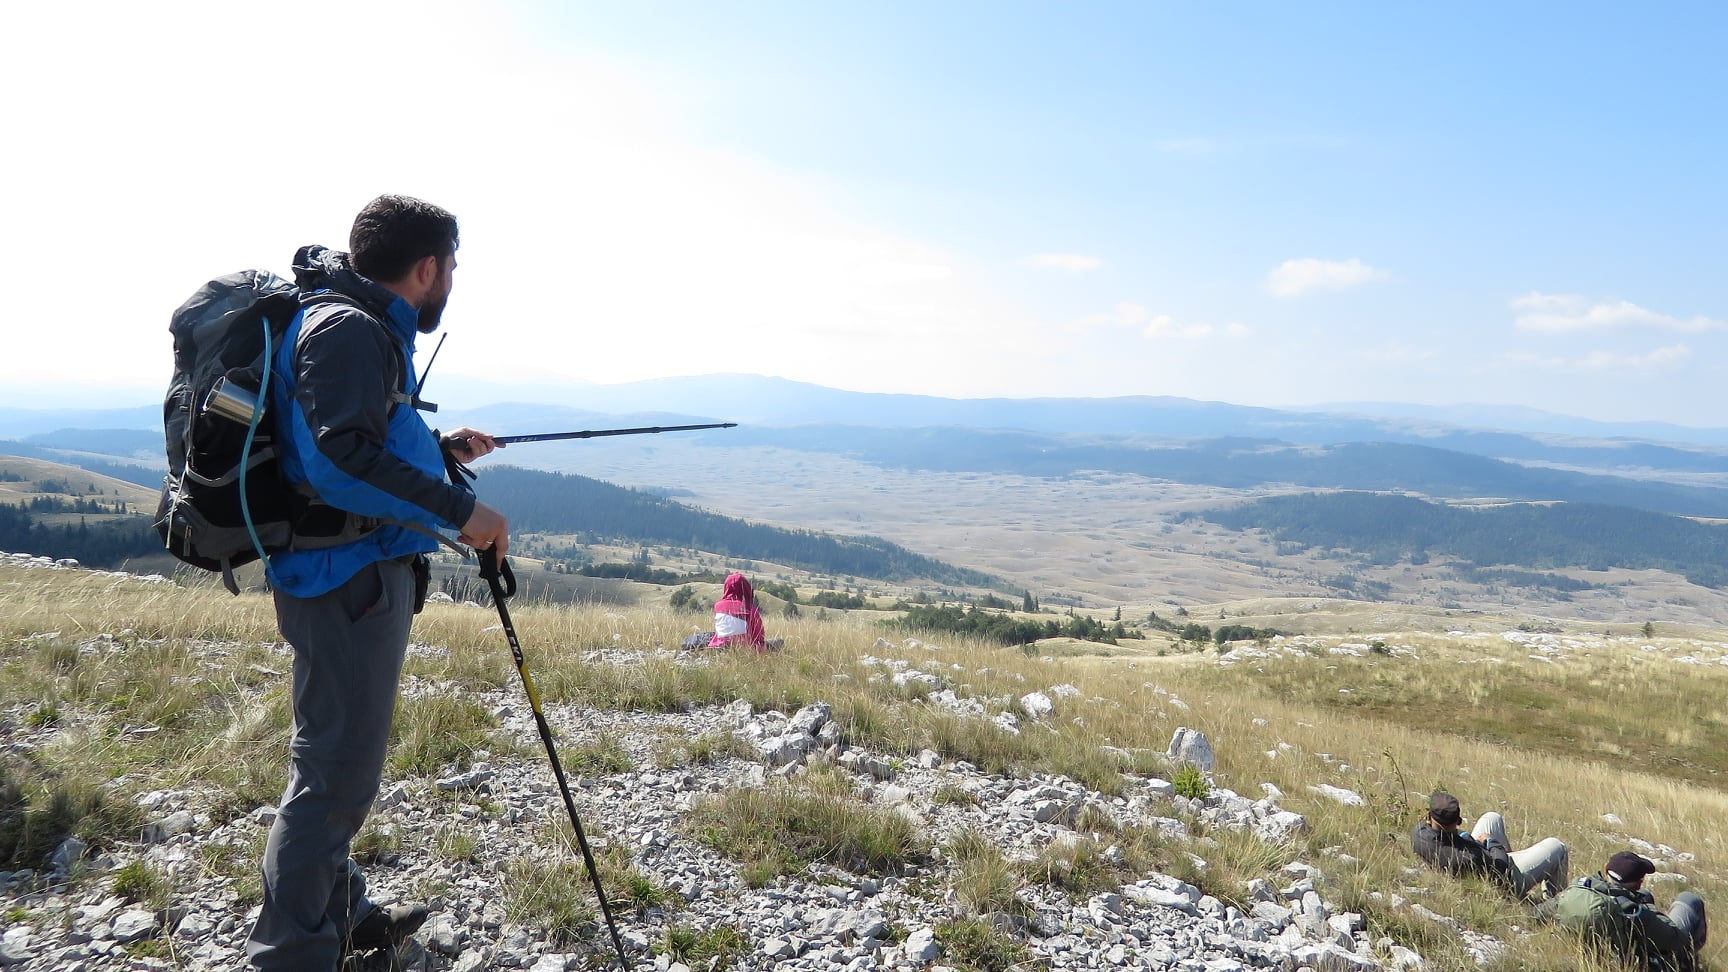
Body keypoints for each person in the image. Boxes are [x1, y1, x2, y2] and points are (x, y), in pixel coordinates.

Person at [245, 195, 510, 971]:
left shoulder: (352, 320)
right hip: (346, 579)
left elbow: (354, 438)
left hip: (344, 571)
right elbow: (336, 462)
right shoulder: (351, 330)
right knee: (334, 776)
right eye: (451, 266)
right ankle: (291, 956)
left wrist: (438, 451)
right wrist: (461, 510)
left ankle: (342, 915)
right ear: (426, 268)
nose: (451, 280)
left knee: (334, 764)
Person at [1537, 850, 1706, 972]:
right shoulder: (1634, 912)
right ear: (1638, 883)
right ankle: (1688, 965)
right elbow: (1677, 939)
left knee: (1646, 895)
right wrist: (1652, 911)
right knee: (1689, 899)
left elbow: (1538, 913)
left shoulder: (1577, 889)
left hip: (1591, 948)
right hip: (1632, 961)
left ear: (1606, 869)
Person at [1411, 790, 1569, 899]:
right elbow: (1501, 865)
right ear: (1459, 821)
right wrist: (1491, 842)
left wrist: (1467, 838)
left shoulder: (1418, 833)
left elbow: (1451, 838)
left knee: (1492, 817)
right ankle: (1552, 901)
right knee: (1557, 846)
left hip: (1476, 856)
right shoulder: (1469, 858)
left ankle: (1522, 863)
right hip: (1504, 878)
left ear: (1429, 816)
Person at [708, 572, 782, 651]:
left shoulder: (718, 606)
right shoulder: (750, 608)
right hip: (746, 648)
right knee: (779, 642)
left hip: (719, 647)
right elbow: (759, 636)